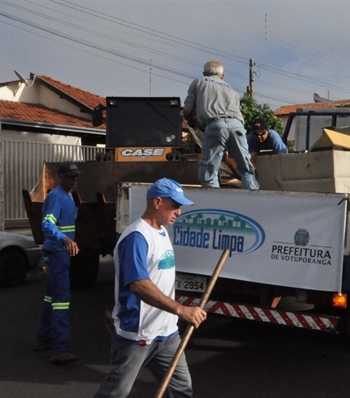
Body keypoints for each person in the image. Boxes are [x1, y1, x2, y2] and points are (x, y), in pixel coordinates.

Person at [93, 178, 207, 398]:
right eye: (174, 205)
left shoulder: (162, 232)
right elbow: (138, 285)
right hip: (138, 334)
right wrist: (181, 309)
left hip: (167, 333)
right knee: (115, 393)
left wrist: (173, 317)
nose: (179, 212)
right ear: (157, 202)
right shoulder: (136, 237)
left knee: (182, 391)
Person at [182, 60, 259, 190]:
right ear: (222, 76)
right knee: (246, 169)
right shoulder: (232, 90)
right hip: (237, 126)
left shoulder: (198, 82)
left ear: (204, 73)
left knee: (209, 171)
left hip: (215, 126)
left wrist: (191, 122)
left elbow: (187, 111)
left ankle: (213, 202)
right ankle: (253, 200)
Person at [34, 161, 81, 363]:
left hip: (60, 254)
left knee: (50, 297)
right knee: (61, 299)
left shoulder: (69, 196)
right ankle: (60, 348)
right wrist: (65, 239)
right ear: (61, 177)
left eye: (76, 176)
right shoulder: (57, 197)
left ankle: (44, 338)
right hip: (58, 254)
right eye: (70, 176)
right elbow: (47, 224)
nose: (74, 179)